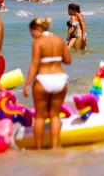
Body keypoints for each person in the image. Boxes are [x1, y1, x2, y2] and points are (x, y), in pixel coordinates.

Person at [23, 18, 71, 149]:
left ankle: (39, 148)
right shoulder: (59, 40)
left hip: (44, 79)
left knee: (39, 117)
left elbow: (34, 64)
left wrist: (27, 84)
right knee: (55, 116)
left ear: (37, 29)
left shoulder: (38, 42)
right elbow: (68, 60)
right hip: (60, 78)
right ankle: (55, 146)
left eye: (32, 32)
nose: (32, 36)